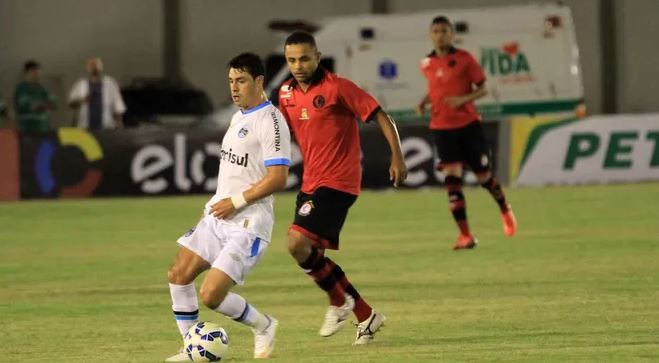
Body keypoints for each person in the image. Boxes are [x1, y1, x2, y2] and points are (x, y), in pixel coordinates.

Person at [278, 31, 408, 346]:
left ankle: (338, 302)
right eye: (292, 59)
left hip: (339, 181)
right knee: (313, 256)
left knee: (297, 243)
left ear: (318, 57)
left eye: (304, 58)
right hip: (311, 182)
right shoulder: (285, 94)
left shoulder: (338, 87)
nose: (298, 65)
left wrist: (397, 156)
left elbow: (380, 115)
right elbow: (277, 130)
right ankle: (366, 315)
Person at [165, 53, 291, 361]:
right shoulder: (238, 116)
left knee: (211, 295)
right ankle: (192, 349)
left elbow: (278, 178)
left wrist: (235, 202)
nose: (234, 88)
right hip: (217, 216)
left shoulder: (271, 121)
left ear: (259, 82)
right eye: (231, 81)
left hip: (248, 225)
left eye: (241, 81)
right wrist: (218, 206)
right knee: (178, 275)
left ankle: (264, 325)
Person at [416, 16, 517, 250]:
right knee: (452, 182)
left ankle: (504, 208)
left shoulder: (464, 59)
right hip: (442, 128)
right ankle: (466, 236)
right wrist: (424, 102)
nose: (440, 35)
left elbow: (483, 88)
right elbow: (436, 90)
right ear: (431, 35)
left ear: (452, 34)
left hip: (468, 126)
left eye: (444, 30)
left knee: (484, 178)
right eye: (436, 31)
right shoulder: (426, 63)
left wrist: (464, 99)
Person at [68, 57, 126, 130]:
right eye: (91, 65)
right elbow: (71, 104)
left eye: (97, 64)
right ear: (87, 68)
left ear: (101, 67)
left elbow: (118, 106)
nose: (94, 67)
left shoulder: (110, 83)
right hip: (85, 129)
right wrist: (82, 100)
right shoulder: (80, 84)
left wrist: (119, 123)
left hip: (107, 128)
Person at [14, 60, 56, 133]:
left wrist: (40, 104)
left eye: (38, 71)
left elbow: (53, 104)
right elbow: (25, 107)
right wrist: (42, 104)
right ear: (26, 72)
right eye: (34, 71)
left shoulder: (43, 88)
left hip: (44, 128)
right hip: (28, 129)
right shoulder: (21, 88)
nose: (37, 74)